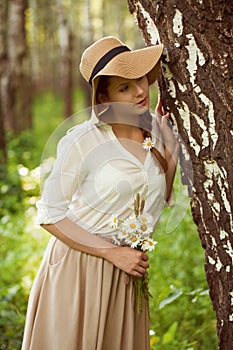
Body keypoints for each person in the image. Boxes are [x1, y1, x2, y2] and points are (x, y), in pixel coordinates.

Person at [21, 36, 179, 350]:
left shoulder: (156, 132)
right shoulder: (82, 141)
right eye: (124, 87)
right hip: (78, 267)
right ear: (103, 97)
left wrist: (169, 143)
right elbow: (49, 215)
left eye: (139, 81)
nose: (138, 91)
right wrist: (111, 253)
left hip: (129, 269)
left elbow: (158, 196)